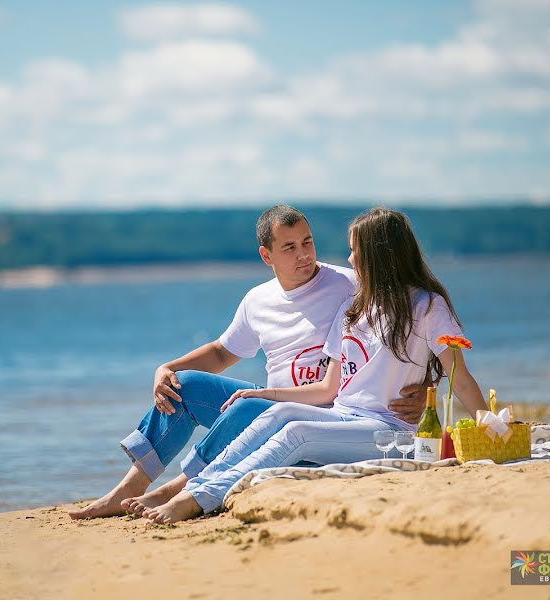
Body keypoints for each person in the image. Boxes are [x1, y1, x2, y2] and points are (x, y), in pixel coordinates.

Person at [69, 205, 427, 520]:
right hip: (271, 402)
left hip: (328, 411)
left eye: (308, 242)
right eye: (289, 247)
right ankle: (128, 489)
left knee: (247, 406)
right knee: (185, 385)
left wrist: (426, 388)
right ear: (266, 256)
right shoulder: (258, 300)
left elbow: (410, 327)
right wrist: (167, 369)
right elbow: (223, 352)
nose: (304, 254)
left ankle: (180, 488)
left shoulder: (349, 283)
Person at [143, 207, 489, 524]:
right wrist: (262, 393)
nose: (350, 258)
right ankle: (194, 487)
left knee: (296, 432)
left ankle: (198, 499)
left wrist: (487, 424)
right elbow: (329, 389)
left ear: (378, 254)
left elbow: (459, 378)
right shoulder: (354, 311)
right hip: (342, 415)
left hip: (387, 429)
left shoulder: (426, 306)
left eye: (355, 250)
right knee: (277, 415)